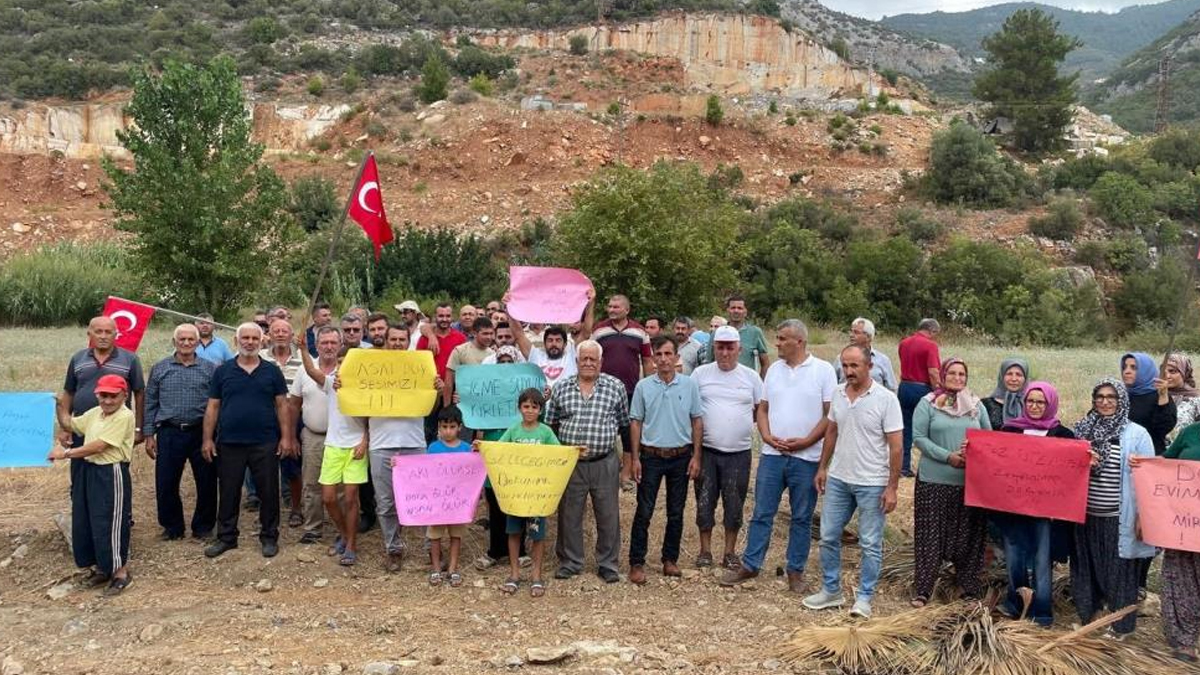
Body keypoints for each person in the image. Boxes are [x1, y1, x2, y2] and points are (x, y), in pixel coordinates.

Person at [723, 320, 834, 592]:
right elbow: (762, 409)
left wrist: (806, 441)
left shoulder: (823, 371)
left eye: (783, 338)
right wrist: (767, 436)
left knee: (802, 516)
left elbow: (830, 415)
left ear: (799, 341)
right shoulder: (773, 370)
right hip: (773, 455)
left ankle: (795, 571)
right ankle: (750, 564)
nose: (777, 343)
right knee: (762, 512)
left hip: (807, 458)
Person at [804, 345, 902, 619]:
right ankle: (831, 589)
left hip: (872, 481)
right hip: (839, 478)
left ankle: (865, 597)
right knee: (828, 535)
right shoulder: (837, 393)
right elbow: (832, 431)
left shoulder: (886, 399)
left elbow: (896, 447)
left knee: (870, 542)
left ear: (869, 365)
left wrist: (892, 486)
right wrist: (823, 466)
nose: (848, 371)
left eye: (854, 366)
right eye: (845, 366)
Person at [202, 323, 297, 559]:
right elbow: (213, 407)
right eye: (245, 338)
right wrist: (207, 439)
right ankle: (226, 537)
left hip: (265, 442)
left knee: (268, 492)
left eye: (255, 338)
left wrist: (286, 437)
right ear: (236, 341)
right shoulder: (222, 371)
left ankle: (269, 537)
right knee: (229, 491)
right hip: (230, 442)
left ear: (261, 341)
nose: (250, 342)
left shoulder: (271, 371)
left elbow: (282, 405)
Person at [1072, 377, 1155, 639]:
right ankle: (1092, 617)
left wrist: (1144, 516)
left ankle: (1121, 627)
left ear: (1122, 400)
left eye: (1111, 397)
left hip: (1118, 516)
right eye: (1100, 397)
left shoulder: (1136, 434)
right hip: (1085, 514)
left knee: (1119, 572)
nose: (1105, 402)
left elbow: (1149, 477)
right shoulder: (1082, 430)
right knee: (1087, 568)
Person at [545, 340, 630, 583]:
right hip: (571, 463)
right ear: (577, 361)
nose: (589, 363)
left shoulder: (615, 387)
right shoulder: (562, 388)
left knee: (608, 515)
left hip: (605, 461)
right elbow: (552, 424)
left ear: (601, 362)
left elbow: (624, 425)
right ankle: (571, 562)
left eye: (594, 359)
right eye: (585, 359)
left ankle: (608, 564)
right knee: (570, 515)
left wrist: (628, 460)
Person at [910, 357, 991, 608]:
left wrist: (976, 450)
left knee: (969, 536)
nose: (957, 378)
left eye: (962, 374)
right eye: (952, 373)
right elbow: (919, 438)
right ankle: (923, 589)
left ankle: (968, 588)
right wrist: (948, 456)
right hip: (934, 480)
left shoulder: (976, 405)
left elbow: (989, 438)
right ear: (943, 375)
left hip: (969, 483)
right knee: (930, 536)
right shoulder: (928, 404)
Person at [994, 382, 1075, 627]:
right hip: (1013, 507)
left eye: (1041, 402)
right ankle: (1015, 603)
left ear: (1050, 404)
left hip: (1046, 512)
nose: (1035, 406)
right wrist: (973, 450)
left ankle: (1041, 612)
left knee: (1042, 560)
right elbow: (993, 460)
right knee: (1015, 557)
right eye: (1031, 401)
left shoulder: (1064, 435)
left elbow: (1072, 469)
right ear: (1024, 403)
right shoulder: (1009, 430)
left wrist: (1087, 460)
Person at [362, 323, 441, 572]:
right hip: (381, 446)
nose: (397, 343)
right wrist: (343, 386)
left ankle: (432, 546)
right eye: (392, 339)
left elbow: (430, 405)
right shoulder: (370, 368)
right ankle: (393, 548)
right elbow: (355, 396)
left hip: (414, 444)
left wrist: (438, 390)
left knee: (424, 498)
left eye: (401, 339)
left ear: (408, 340)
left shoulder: (419, 367)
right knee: (385, 503)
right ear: (385, 340)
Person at [48, 374, 136, 596]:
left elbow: (98, 446)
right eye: (103, 395)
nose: (107, 401)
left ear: (124, 396)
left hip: (110, 472)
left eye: (112, 396)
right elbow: (70, 424)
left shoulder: (124, 416)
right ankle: (101, 568)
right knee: (87, 518)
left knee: (111, 521)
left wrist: (65, 453)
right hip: (89, 471)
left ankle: (121, 573)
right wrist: (59, 405)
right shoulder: (95, 413)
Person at [628, 336, 703, 585]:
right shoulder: (643, 387)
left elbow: (696, 421)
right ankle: (637, 562)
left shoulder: (689, 386)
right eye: (658, 354)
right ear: (653, 358)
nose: (663, 359)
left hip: (680, 456)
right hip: (651, 456)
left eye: (668, 354)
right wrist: (635, 458)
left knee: (676, 511)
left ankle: (670, 559)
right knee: (644, 510)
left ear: (676, 357)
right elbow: (636, 422)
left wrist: (696, 456)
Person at [691, 326, 764, 570]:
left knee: (734, 503)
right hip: (707, 451)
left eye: (729, 347)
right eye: (720, 347)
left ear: (739, 349)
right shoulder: (700, 374)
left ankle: (730, 552)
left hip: (739, 453)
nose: (724, 352)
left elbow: (759, 410)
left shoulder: (751, 377)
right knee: (704, 501)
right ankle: (705, 551)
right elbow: (692, 412)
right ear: (714, 348)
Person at [144, 324, 219, 541]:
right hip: (169, 432)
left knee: (206, 481)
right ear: (174, 342)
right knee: (166, 482)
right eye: (182, 339)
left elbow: (216, 404)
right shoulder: (160, 368)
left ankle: (203, 527)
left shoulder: (210, 369)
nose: (186, 343)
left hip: (201, 432)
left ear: (197, 342)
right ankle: (172, 527)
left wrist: (213, 436)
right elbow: (150, 402)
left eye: (190, 340)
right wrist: (149, 434)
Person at [298, 337, 368, 567]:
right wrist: (302, 349)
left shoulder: (366, 386)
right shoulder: (330, 383)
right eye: (340, 361)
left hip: (355, 446)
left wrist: (364, 442)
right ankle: (344, 533)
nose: (342, 365)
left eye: (347, 361)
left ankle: (351, 545)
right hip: (333, 445)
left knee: (350, 497)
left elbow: (372, 419)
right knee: (328, 498)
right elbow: (310, 370)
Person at [493, 388, 562, 597]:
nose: (530, 410)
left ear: (540, 410)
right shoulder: (513, 431)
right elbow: (498, 449)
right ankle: (514, 574)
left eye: (534, 407)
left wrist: (575, 451)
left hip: (537, 494)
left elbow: (558, 453)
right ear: (519, 408)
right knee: (514, 532)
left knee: (537, 535)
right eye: (526, 406)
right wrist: (482, 447)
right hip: (516, 492)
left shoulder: (546, 432)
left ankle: (536, 576)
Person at [287, 326, 341, 545]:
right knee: (311, 484)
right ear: (316, 345)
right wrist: (290, 436)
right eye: (324, 342)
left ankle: (342, 529)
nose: (328, 347)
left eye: (333, 343)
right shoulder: (303, 370)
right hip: (313, 434)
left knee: (342, 488)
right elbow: (293, 404)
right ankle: (313, 527)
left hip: (341, 438)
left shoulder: (347, 369)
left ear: (340, 345)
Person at [593, 295, 653, 487]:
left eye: (616, 307)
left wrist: (649, 385)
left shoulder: (640, 331)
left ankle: (626, 476)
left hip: (631, 390)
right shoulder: (599, 330)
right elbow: (592, 357)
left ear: (627, 310)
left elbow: (646, 360)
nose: (611, 309)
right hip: (603, 391)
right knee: (604, 432)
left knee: (628, 434)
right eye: (609, 306)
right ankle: (606, 474)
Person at [1152, 421, 1200, 661]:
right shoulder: (1191, 432)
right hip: (1184, 523)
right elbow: (1167, 462)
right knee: (1181, 582)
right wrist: (1146, 464)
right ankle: (1185, 642)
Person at [60, 316, 146, 448]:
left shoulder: (130, 359)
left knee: (112, 466)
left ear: (116, 335)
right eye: (98, 332)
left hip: (115, 427)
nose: (103, 336)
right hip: (82, 425)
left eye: (108, 332)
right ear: (89, 334)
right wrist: (66, 427)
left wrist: (138, 429)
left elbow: (140, 394)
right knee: (80, 463)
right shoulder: (78, 358)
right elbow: (69, 392)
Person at [257, 318, 304, 525]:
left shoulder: (304, 359)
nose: (281, 334)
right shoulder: (258, 358)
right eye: (276, 331)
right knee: (263, 467)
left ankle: (296, 509)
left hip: (295, 418)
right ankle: (267, 511)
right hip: (265, 418)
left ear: (292, 335)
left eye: (285, 331)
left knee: (292, 464)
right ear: (270, 334)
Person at [427, 405, 471, 587]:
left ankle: (453, 569)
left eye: (452, 427)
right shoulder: (433, 448)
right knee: (435, 536)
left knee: (456, 535)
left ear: (460, 427)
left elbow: (473, 472)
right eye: (444, 427)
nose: (448, 431)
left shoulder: (467, 449)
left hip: (457, 502)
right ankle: (436, 569)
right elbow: (422, 471)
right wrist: (399, 463)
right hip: (438, 501)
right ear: (438, 427)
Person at [897, 318, 942, 478]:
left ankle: (903, 466)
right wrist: (939, 391)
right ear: (932, 330)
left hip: (905, 386)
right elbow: (933, 372)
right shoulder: (930, 345)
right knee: (929, 427)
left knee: (905, 428)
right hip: (922, 388)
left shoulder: (904, 343)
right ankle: (930, 466)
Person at [1122, 351, 1177, 455]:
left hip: (1149, 456)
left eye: (1133, 368)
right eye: (1124, 367)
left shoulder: (1158, 394)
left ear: (1145, 370)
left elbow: (1163, 428)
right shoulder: (1119, 394)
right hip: (1120, 456)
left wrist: (1163, 396)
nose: (1126, 371)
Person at [702, 295, 770, 377]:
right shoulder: (717, 333)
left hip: (745, 383)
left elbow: (765, 363)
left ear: (745, 311)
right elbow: (709, 361)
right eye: (733, 308)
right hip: (720, 381)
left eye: (740, 308)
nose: (736, 311)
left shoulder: (755, 332)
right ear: (728, 310)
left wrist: (760, 383)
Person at [444, 317, 496, 408]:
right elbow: (449, 382)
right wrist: (447, 408)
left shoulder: (493, 354)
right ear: (474, 333)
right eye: (485, 333)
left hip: (485, 406)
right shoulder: (460, 351)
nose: (489, 337)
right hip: (463, 405)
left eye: (491, 333)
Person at [833, 318, 896, 391]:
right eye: (851, 332)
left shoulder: (883, 360)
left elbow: (891, 388)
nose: (851, 335)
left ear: (868, 337)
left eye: (856, 332)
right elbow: (833, 386)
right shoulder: (840, 358)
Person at [981, 358, 1029, 430]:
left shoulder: (1033, 405)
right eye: (1009, 374)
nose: (1014, 379)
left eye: (1019, 375)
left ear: (1025, 378)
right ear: (1002, 376)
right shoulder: (985, 405)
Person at [1166, 353, 1200, 435]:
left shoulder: (1195, 399)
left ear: (1184, 372)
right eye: (1163, 371)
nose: (1167, 376)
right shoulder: (1156, 397)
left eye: (1172, 371)